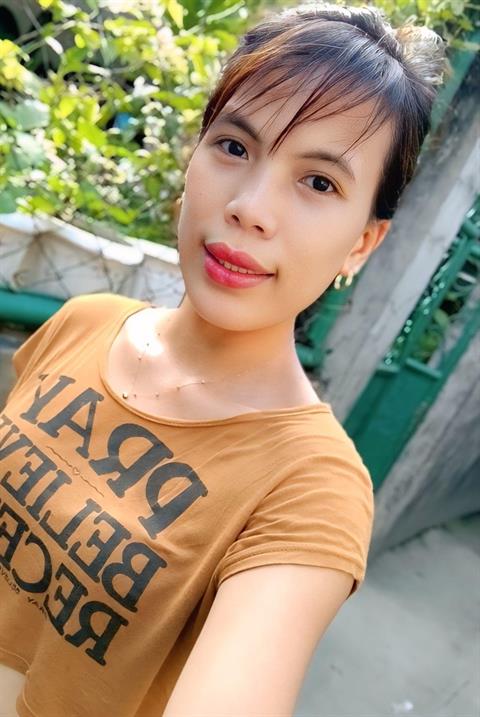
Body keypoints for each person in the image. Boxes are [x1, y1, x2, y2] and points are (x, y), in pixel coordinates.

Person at [0, 3, 446, 716]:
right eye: (235, 146)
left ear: (362, 244)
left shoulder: (310, 487)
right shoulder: (82, 324)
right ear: (194, 158)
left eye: (319, 182)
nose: (251, 206)